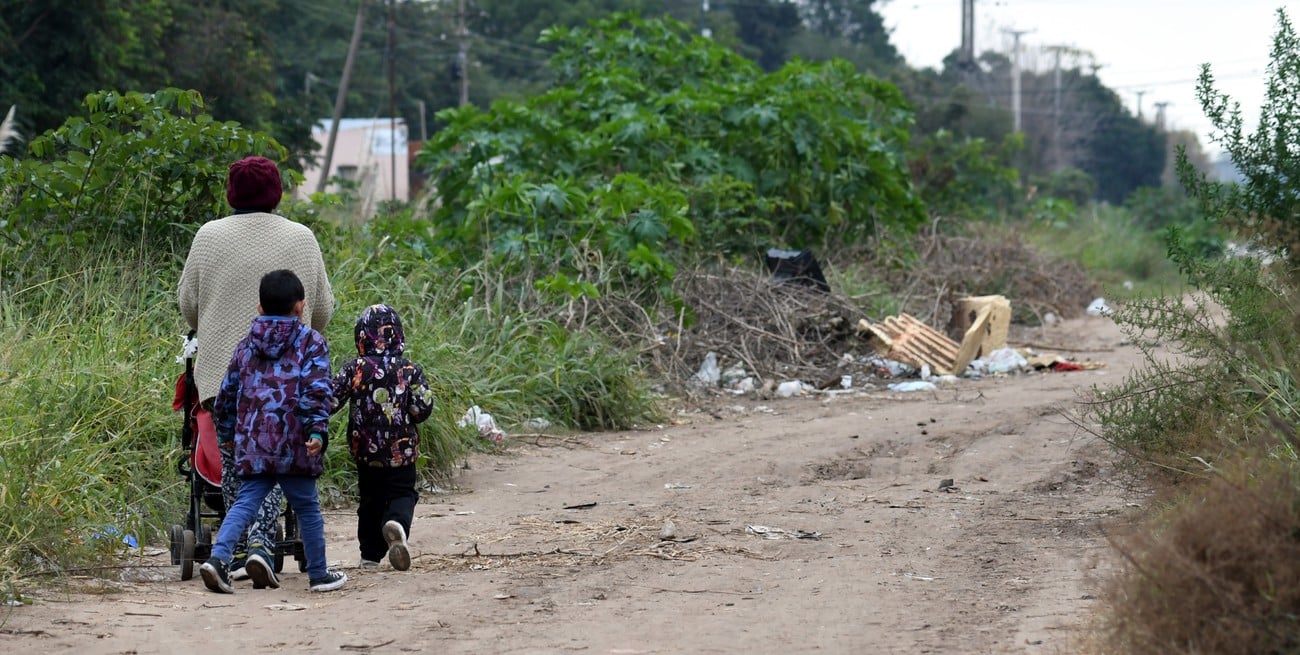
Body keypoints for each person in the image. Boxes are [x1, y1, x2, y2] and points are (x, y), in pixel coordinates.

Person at [178, 155, 334, 583]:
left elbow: (188, 307)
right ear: (277, 192)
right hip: (291, 384)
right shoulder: (302, 238)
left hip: (219, 377)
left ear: (231, 192)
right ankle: (261, 545)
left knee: (238, 463)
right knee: (278, 458)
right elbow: (322, 311)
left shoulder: (208, 237)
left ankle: (247, 545)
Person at [200, 269, 347, 594]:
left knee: (244, 503)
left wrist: (226, 432)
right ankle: (319, 574)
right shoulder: (311, 342)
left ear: (260, 309)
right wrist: (317, 431)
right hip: (294, 442)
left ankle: (219, 559)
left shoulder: (246, 345)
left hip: (254, 441)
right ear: (301, 306)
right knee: (307, 507)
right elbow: (316, 390)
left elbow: (227, 394)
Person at [331, 304, 435, 571]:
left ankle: (370, 555)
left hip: (365, 450)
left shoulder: (354, 369)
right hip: (403, 450)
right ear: (398, 335)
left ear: (361, 337)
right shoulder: (409, 370)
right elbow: (422, 409)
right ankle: (397, 523)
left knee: (369, 499)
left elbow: (330, 401)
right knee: (403, 492)